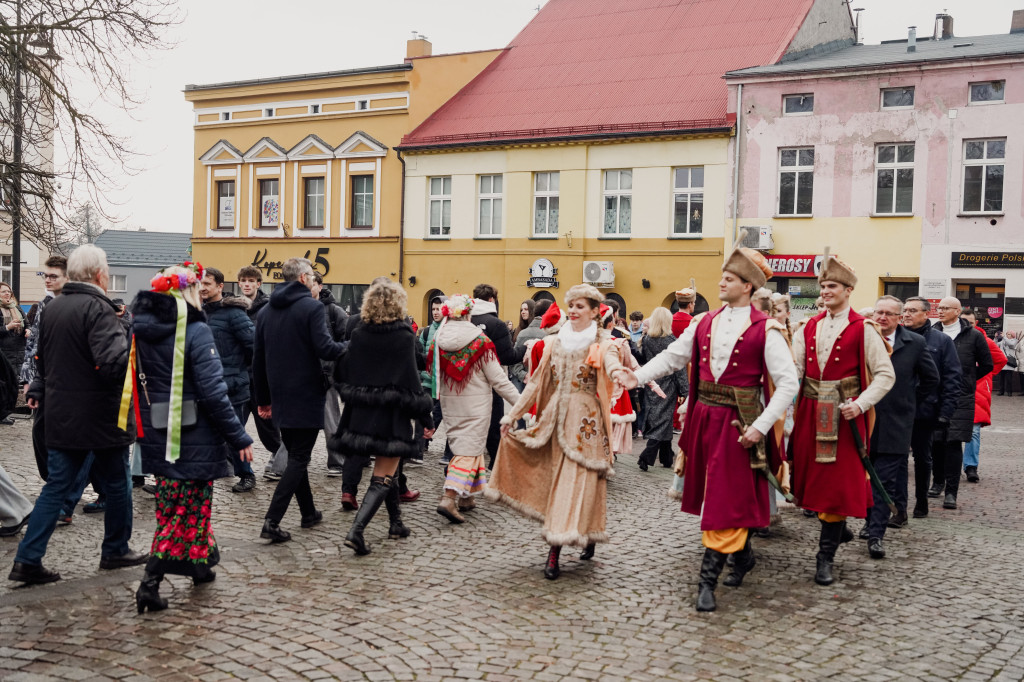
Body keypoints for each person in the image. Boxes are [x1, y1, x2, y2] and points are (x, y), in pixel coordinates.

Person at [624, 247, 798, 611]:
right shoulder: (703, 322)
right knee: (718, 493)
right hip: (706, 418)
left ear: (748, 286)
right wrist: (636, 376)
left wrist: (762, 426)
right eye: (723, 276)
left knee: (723, 496)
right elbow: (673, 358)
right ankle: (743, 552)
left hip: (741, 422)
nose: (721, 282)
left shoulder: (767, 328)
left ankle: (707, 581)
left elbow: (787, 384)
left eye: (729, 278)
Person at [11, 244, 148, 585]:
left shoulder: (55, 307)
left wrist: (39, 391)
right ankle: (116, 549)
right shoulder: (99, 310)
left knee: (56, 487)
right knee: (117, 484)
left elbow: (43, 359)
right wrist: (134, 340)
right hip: (101, 417)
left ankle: (27, 558)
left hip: (62, 414)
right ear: (100, 274)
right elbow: (112, 366)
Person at [131, 264, 255, 612]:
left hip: (157, 430)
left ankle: (201, 564)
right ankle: (149, 583)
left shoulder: (139, 330)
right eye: (197, 288)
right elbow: (214, 393)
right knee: (182, 512)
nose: (202, 293)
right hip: (193, 435)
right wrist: (239, 436)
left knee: (184, 506)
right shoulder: (195, 331)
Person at [488, 284, 626, 580]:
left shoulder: (603, 342)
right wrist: (513, 415)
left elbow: (612, 364)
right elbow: (536, 383)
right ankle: (559, 545)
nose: (574, 311)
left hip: (585, 425)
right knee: (559, 482)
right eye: (571, 305)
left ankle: (569, 542)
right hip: (553, 421)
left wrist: (618, 373)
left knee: (582, 482)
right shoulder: (556, 342)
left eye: (580, 306)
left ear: (593, 311)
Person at [790, 252, 894, 586]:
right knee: (812, 484)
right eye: (822, 286)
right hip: (809, 414)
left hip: (845, 420)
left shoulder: (864, 329)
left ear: (848, 290)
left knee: (836, 489)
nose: (825, 292)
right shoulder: (808, 326)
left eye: (832, 286)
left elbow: (884, 375)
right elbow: (793, 372)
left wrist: (861, 404)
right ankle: (835, 527)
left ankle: (825, 559)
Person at [332, 280, 434, 554]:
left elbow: (341, 369)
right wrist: (427, 420)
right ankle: (357, 531)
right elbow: (413, 384)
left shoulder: (360, 334)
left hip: (361, 413)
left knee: (389, 469)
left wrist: (352, 390)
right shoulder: (404, 338)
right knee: (384, 474)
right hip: (391, 416)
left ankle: (396, 522)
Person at [253, 258, 347, 543]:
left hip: (280, 395)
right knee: (298, 458)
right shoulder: (312, 307)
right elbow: (326, 348)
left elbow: (257, 359)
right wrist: (352, 345)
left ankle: (308, 512)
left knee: (296, 455)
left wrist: (264, 400)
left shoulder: (266, 311)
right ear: (305, 278)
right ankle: (271, 520)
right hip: (305, 394)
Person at [427, 294, 520, 523]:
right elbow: (498, 380)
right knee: (467, 452)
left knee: (467, 446)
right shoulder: (481, 341)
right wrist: (521, 402)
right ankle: (449, 497)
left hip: (450, 401)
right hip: (476, 405)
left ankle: (467, 497)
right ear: (468, 314)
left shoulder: (438, 339)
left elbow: (432, 372)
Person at [858, 296, 938, 557]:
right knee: (863, 477)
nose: (882, 317)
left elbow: (931, 379)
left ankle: (876, 532)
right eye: (878, 312)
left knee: (885, 480)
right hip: (863, 420)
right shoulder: (861, 338)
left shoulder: (914, 343)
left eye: (889, 314)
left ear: (899, 317)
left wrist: (909, 403)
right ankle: (867, 521)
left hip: (896, 423)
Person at [928, 297, 993, 510]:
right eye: (939, 308)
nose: (940, 311)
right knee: (935, 442)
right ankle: (938, 482)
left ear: (957, 311)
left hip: (960, 396)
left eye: (945, 308)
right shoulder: (931, 333)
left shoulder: (973, 336)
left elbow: (986, 364)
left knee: (953, 442)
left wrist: (967, 381)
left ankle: (951, 492)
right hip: (934, 394)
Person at [901, 297, 961, 519]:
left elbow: (952, 378)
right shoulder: (896, 337)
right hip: (898, 409)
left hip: (926, 410)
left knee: (923, 457)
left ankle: (921, 501)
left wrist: (946, 412)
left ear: (926, 314)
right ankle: (898, 505)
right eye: (905, 310)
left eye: (912, 310)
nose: (906, 314)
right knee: (896, 458)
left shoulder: (942, 341)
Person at [199, 266, 256, 493]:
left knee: (234, 434)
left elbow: (254, 347)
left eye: (207, 284)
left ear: (220, 286)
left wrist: (238, 371)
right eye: (200, 284)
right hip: (205, 386)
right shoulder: (198, 312)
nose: (202, 288)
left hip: (232, 386)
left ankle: (246, 475)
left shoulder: (234, 314)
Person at [19, 256, 68, 477]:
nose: (47, 280)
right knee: (40, 431)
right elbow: (35, 344)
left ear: (67, 277)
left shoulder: (73, 303)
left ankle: (100, 489)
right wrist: (30, 380)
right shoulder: (45, 304)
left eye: (53, 276)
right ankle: (53, 483)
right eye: (45, 276)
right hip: (46, 379)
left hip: (69, 380)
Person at [236, 265, 286, 480]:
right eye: (243, 280)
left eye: (251, 280)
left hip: (259, 377)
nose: (247, 284)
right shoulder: (234, 308)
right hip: (239, 376)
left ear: (258, 283)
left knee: (266, 427)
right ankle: (238, 466)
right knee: (234, 425)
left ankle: (279, 457)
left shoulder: (268, 308)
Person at [471, 284, 526, 468]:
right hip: (490, 382)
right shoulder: (497, 324)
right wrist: (525, 348)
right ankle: (497, 465)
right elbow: (507, 357)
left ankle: (459, 465)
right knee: (494, 426)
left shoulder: (465, 319)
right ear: (492, 300)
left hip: (464, 381)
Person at [636, 307, 687, 471]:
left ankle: (666, 457)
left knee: (659, 418)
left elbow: (645, 358)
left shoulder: (647, 339)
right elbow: (678, 367)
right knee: (663, 420)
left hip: (652, 381)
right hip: (668, 384)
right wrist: (685, 390)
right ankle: (647, 456)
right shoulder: (671, 341)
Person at [959, 309, 1006, 484]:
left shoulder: (985, 341)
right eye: (963, 321)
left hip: (977, 390)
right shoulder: (950, 339)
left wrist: (983, 376)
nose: (966, 325)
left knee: (974, 430)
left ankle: (971, 466)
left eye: (970, 323)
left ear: (975, 324)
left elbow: (1000, 360)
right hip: (953, 388)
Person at [312, 273, 349, 476]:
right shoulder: (301, 309)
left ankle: (337, 461)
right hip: (304, 373)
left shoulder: (334, 311)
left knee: (331, 420)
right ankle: (282, 464)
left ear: (320, 286)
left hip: (327, 374)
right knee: (294, 422)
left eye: (312, 284)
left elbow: (343, 342)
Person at [0, 281, 27, 386]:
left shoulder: (17, 307)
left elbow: (27, 323)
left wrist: (28, 330)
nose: (7, 293)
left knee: (16, 384)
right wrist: (8, 327)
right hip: (4, 350)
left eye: (9, 291)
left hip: (19, 350)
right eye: (3, 291)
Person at [996, 330, 1021, 395]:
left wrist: (1004, 337)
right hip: (1002, 362)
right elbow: (995, 345)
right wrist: (996, 338)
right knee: (1001, 378)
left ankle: (1009, 392)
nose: (1007, 335)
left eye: (1009, 334)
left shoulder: (1015, 340)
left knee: (1009, 379)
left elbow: (1011, 344)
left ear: (1012, 335)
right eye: (1007, 334)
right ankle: (1001, 391)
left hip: (1009, 362)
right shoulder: (1003, 341)